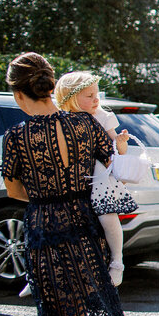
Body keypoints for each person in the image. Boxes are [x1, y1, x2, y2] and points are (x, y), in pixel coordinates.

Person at [0, 53, 143, 316]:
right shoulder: (83, 123)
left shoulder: (19, 135)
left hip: (48, 237)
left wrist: (47, 197)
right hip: (87, 231)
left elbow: (14, 191)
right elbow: (109, 166)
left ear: (21, 92)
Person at [53, 72, 135, 287]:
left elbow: (116, 154)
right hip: (72, 181)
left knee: (108, 218)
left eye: (97, 94)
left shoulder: (103, 116)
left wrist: (121, 142)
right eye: (89, 96)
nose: (96, 99)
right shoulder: (60, 119)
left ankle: (117, 262)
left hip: (99, 177)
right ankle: (40, 274)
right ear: (70, 98)